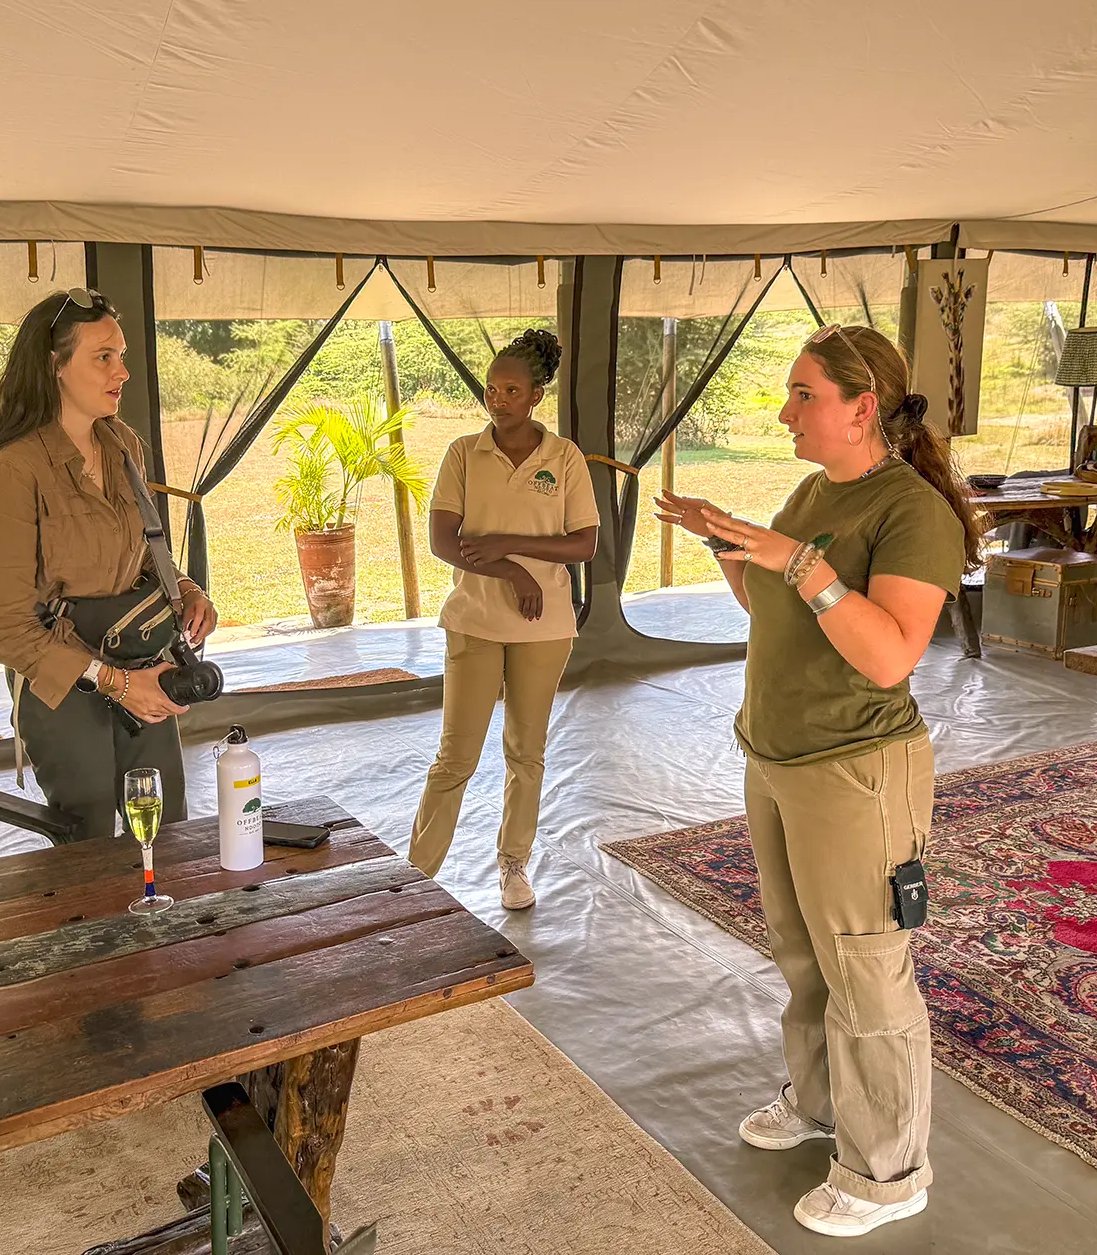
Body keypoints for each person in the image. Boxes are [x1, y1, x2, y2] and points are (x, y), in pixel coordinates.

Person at [655, 323, 982, 1239]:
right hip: (779, 758)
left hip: (856, 770)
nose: (787, 410)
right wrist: (732, 545)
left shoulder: (912, 512)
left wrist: (798, 561)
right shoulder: (812, 489)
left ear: (861, 409)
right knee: (804, 956)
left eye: (805, 394)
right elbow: (776, 606)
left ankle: (889, 1172)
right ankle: (819, 1103)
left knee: (869, 970)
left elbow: (887, 656)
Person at [0, 288, 217, 841]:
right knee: (91, 846)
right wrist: (113, 682)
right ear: (55, 366)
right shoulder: (20, 466)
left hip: (145, 664)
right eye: (103, 357)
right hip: (68, 686)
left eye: (121, 355)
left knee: (168, 835)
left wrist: (187, 592)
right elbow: (0, 623)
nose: (122, 371)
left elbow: (142, 553)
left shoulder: (122, 443)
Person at [409, 329, 599, 910]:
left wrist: (508, 546)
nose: (497, 399)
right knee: (455, 756)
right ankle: (417, 876)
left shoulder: (563, 458)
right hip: (474, 620)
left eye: (511, 390)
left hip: (545, 628)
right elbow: (444, 540)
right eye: (491, 389)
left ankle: (513, 863)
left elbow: (584, 543)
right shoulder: (465, 453)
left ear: (537, 395)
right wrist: (513, 574)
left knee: (526, 751)